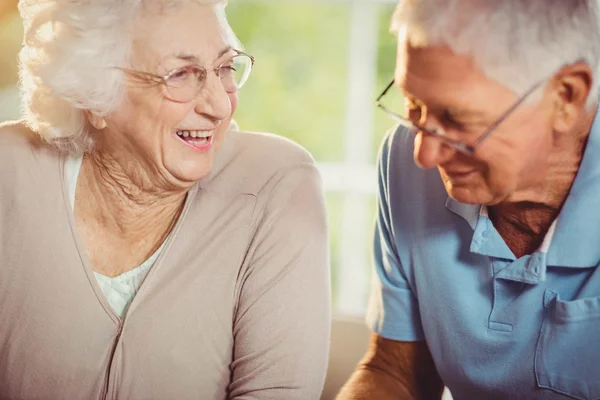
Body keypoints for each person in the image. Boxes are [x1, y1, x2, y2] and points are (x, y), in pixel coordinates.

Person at [0, 1, 331, 399]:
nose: (220, 105)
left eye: (225, 68)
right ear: (95, 94)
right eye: (181, 74)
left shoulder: (276, 186)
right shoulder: (10, 172)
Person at [338, 1, 600, 399]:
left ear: (565, 96)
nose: (424, 155)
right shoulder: (407, 160)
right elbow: (397, 370)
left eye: (457, 119)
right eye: (414, 105)